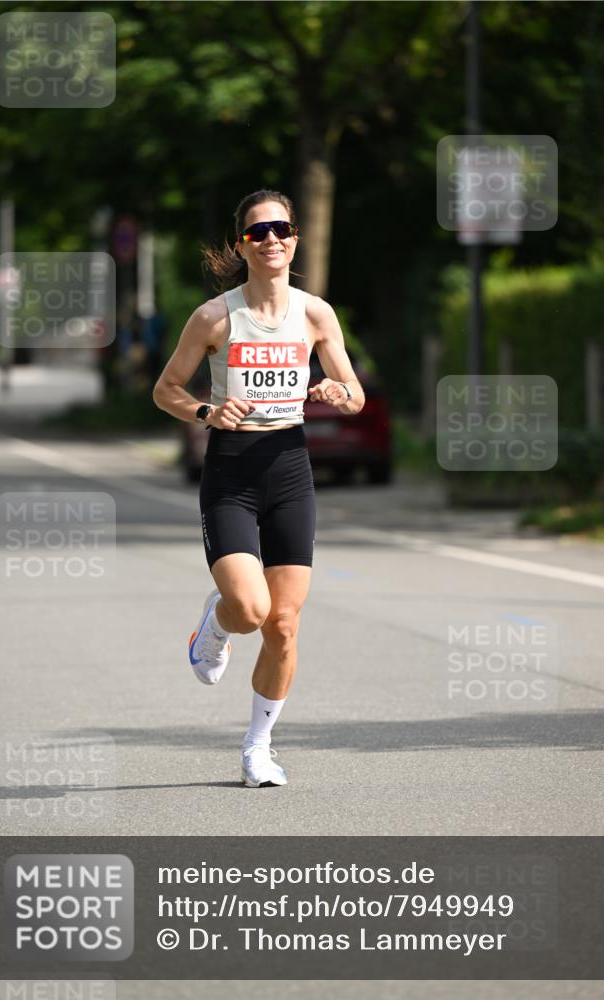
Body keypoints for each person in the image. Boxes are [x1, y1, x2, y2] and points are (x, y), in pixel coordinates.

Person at [153, 189, 364, 787]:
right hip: (232, 472)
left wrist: (331, 393)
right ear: (242, 245)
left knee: (285, 624)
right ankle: (216, 625)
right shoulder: (215, 317)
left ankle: (257, 748)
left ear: (295, 239)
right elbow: (167, 388)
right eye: (259, 231)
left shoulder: (317, 314)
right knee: (250, 610)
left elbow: (355, 394)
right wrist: (205, 413)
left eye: (283, 229)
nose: (272, 239)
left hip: (290, 469)